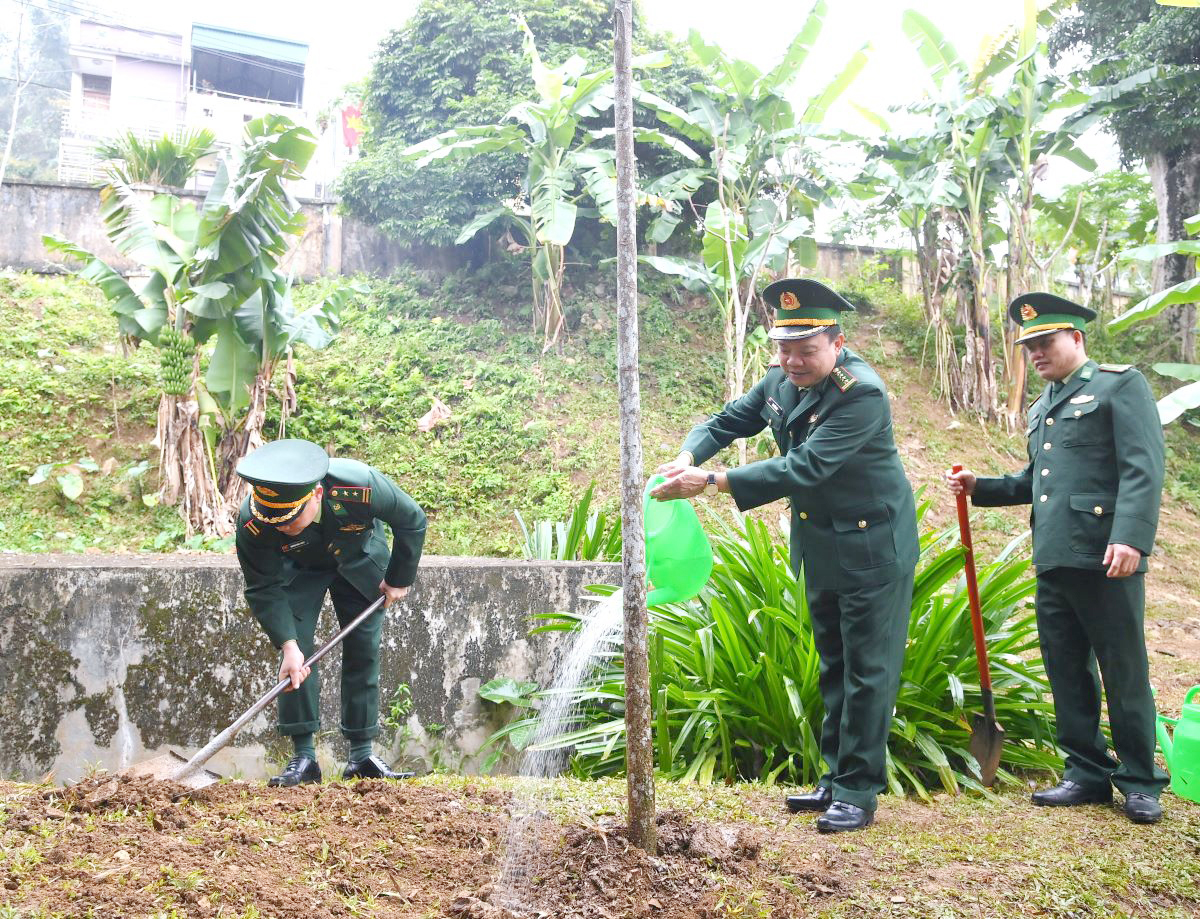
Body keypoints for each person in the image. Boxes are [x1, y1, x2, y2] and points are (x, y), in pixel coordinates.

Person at [652, 278, 919, 832]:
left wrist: (711, 480)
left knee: (868, 672)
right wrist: (687, 455)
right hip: (822, 542)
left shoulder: (860, 394)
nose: (793, 361)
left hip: (872, 548)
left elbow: (805, 468)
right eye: (785, 349)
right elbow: (728, 421)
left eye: (806, 350)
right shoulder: (780, 380)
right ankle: (832, 779)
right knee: (834, 666)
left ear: (837, 344)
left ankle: (858, 791)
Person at [946, 292, 1168, 824]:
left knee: (1123, 668)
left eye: (1045, 342)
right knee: (1066, 668)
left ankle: (1139, 779)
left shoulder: (1119, 385)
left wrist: (1131, 539)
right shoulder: (1042, 406)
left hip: (1106, 555)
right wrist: (981, 486)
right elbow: (1035, 483)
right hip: (1053, 556)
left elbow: (1143, 468)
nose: (1036, 354)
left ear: (1076, 337)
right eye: (1029, 347)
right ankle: (1086, 772)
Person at [235, 439, 427, 787]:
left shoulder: (358, 483)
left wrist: (399, 578)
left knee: (363, 651)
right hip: (299, 570)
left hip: (359, 563)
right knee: (298, 656)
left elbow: (412, 520)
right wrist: (288, 645)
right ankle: (304, 758)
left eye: (291, 521)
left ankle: (361, 755)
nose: (282, 527)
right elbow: (262, 585)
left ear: (317, 496)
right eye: (276, 523)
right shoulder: (255, 518)